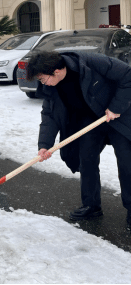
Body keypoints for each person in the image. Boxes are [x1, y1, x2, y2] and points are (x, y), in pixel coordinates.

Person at [26, 51, 131, 228]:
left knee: (127, 162)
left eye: (43, 79)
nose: (43, 83)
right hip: (89, 120)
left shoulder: (91, 62)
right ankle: (91, 205)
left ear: (56, 71)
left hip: (117, 115)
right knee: (86, 160)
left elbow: (128, 75)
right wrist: (44, 145)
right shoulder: (52, 87)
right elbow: (49, 114)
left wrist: (116, 106)